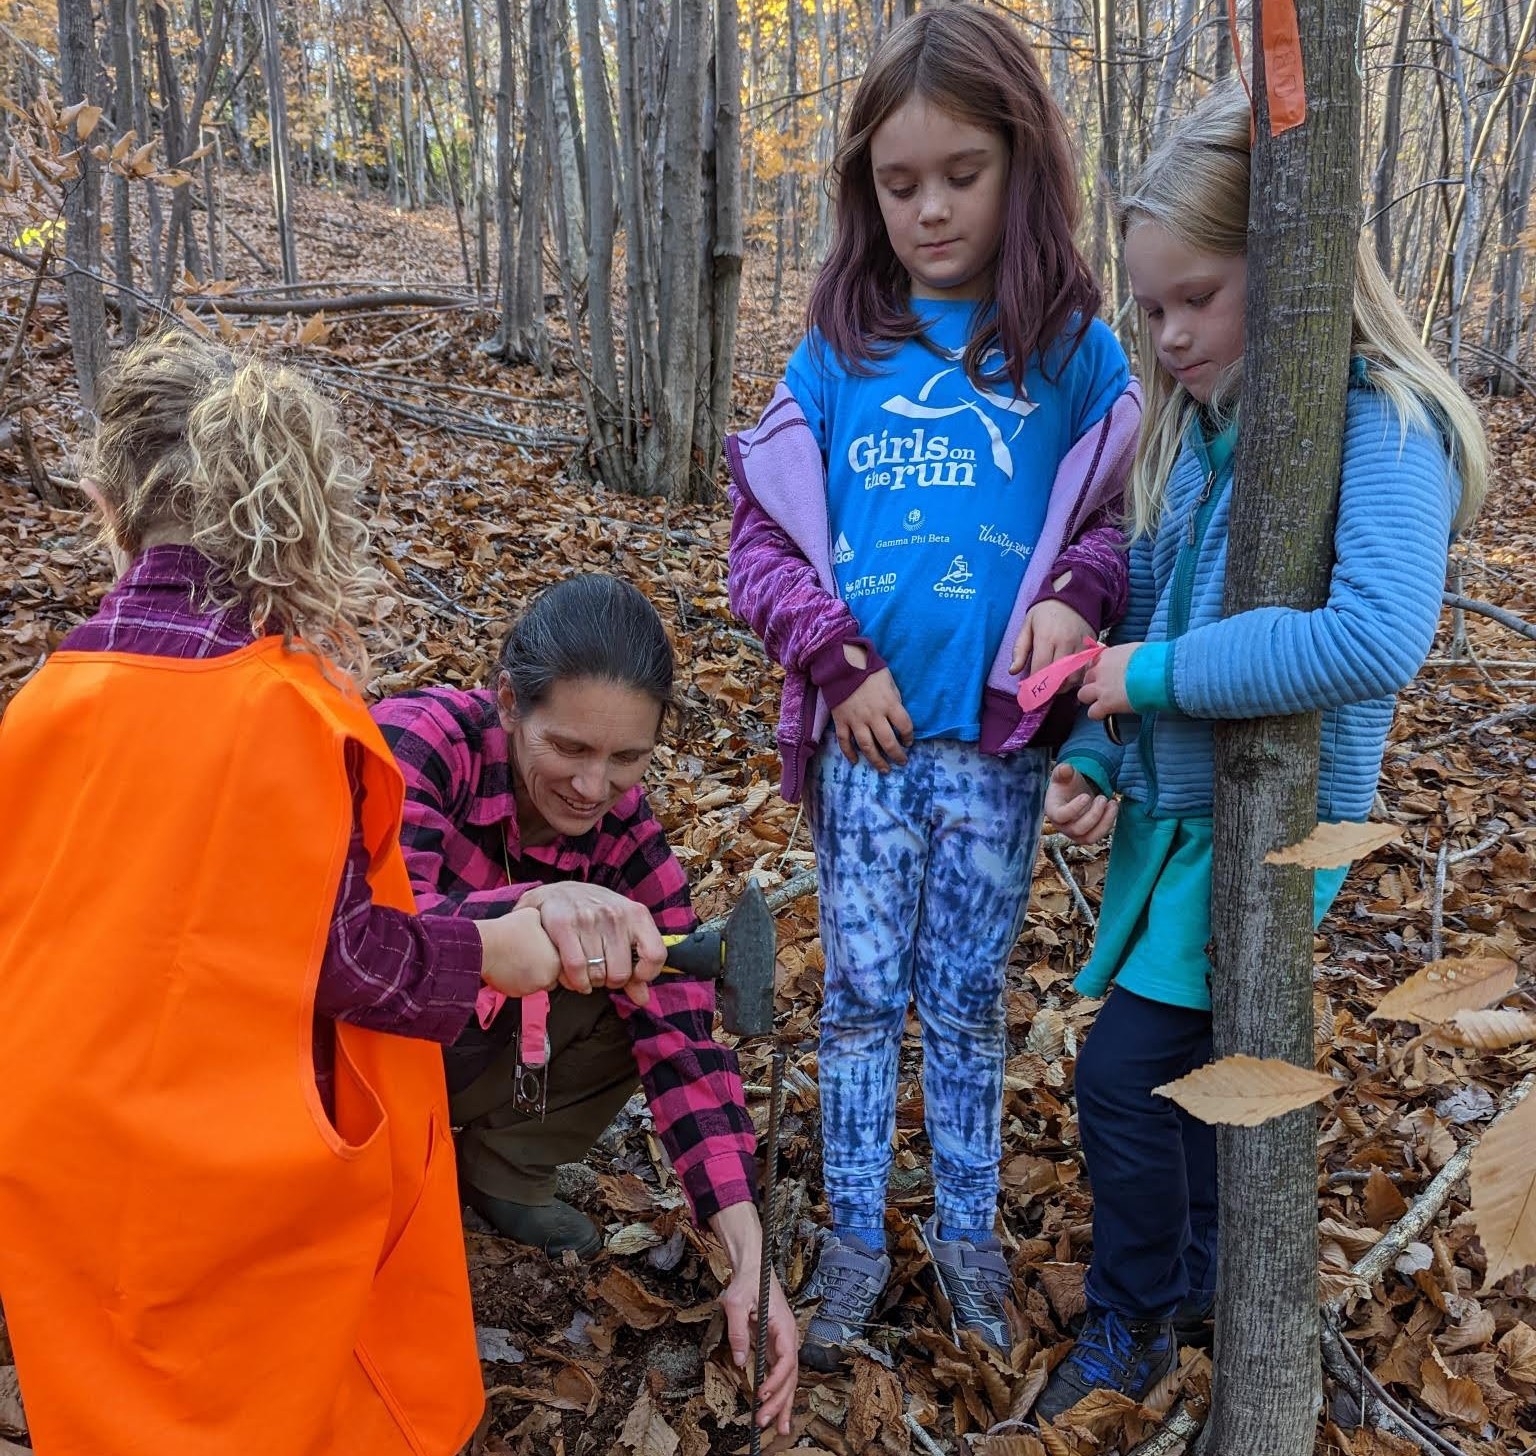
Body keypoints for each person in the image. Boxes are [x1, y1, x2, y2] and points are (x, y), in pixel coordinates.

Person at [0, 330, 629, 1454]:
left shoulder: (41, 702)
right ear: (294, 511)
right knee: (262, 1397)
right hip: (228, 1167)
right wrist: (492, 950)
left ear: (109, 505)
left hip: (53, 1148)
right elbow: (344, 955)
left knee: (105, 1387)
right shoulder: (289, 712)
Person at [1034, 83, 1490, 1421]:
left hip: (1278, 832)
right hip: (1179, 818)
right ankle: (1199, 1273)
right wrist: (1099, 752)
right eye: (1151, 309)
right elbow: (1147, 609)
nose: (1171, 333)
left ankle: (1134, 1318)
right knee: (1174, 1079)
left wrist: (1145, 679)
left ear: (1292, 277)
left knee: (1123, 1076)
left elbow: (1372, 636)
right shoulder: (1201, 434)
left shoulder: (1380, 421)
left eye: (1199, 297)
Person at [726, 4, 1141, 1371]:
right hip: (870, 747)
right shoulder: (840, 346)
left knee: (964, 1000)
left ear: (1023, 164)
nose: (931, 210)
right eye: (899, 184)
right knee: (857, 994)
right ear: (867, 191)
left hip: (996, 750)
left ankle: (968, 1237)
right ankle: (853, 1236)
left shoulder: (1072, 350)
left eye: (962, 174)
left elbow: (1117, 525)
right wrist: (833, 659)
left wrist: (1077, 591)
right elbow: (759, 541)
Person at [372, 572, 798, 1436]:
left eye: (627, 759)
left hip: (468, 1056)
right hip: (365, 1057)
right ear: (508, 702)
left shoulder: (629, 841)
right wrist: (525, 909)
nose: (593, 787)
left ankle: (501, 1171)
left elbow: (685, 1048)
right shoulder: (418, 745)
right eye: (568, 747)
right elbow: (364, 944)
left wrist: (749, 1252)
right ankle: (382, 1178)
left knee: (645, 981)